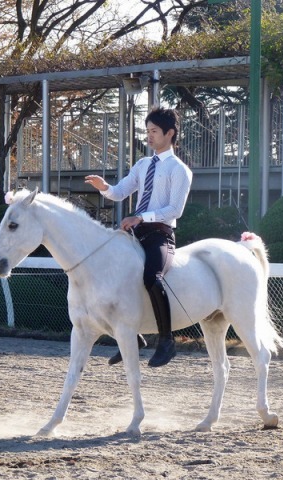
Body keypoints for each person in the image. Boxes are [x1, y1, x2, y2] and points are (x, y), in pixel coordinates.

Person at [85, 106, 192, 368]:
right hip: (135, 234)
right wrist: (105, 187)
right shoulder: (143, 165)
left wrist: (141, 217)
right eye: (147, 131)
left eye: (154, 131)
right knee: (107, 274)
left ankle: (167, 341)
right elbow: (121, 191)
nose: (149, 137)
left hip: (160, 236)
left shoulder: (180, 170)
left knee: (151, 278)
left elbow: (174, 210)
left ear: (170, 133)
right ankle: (131, 337)